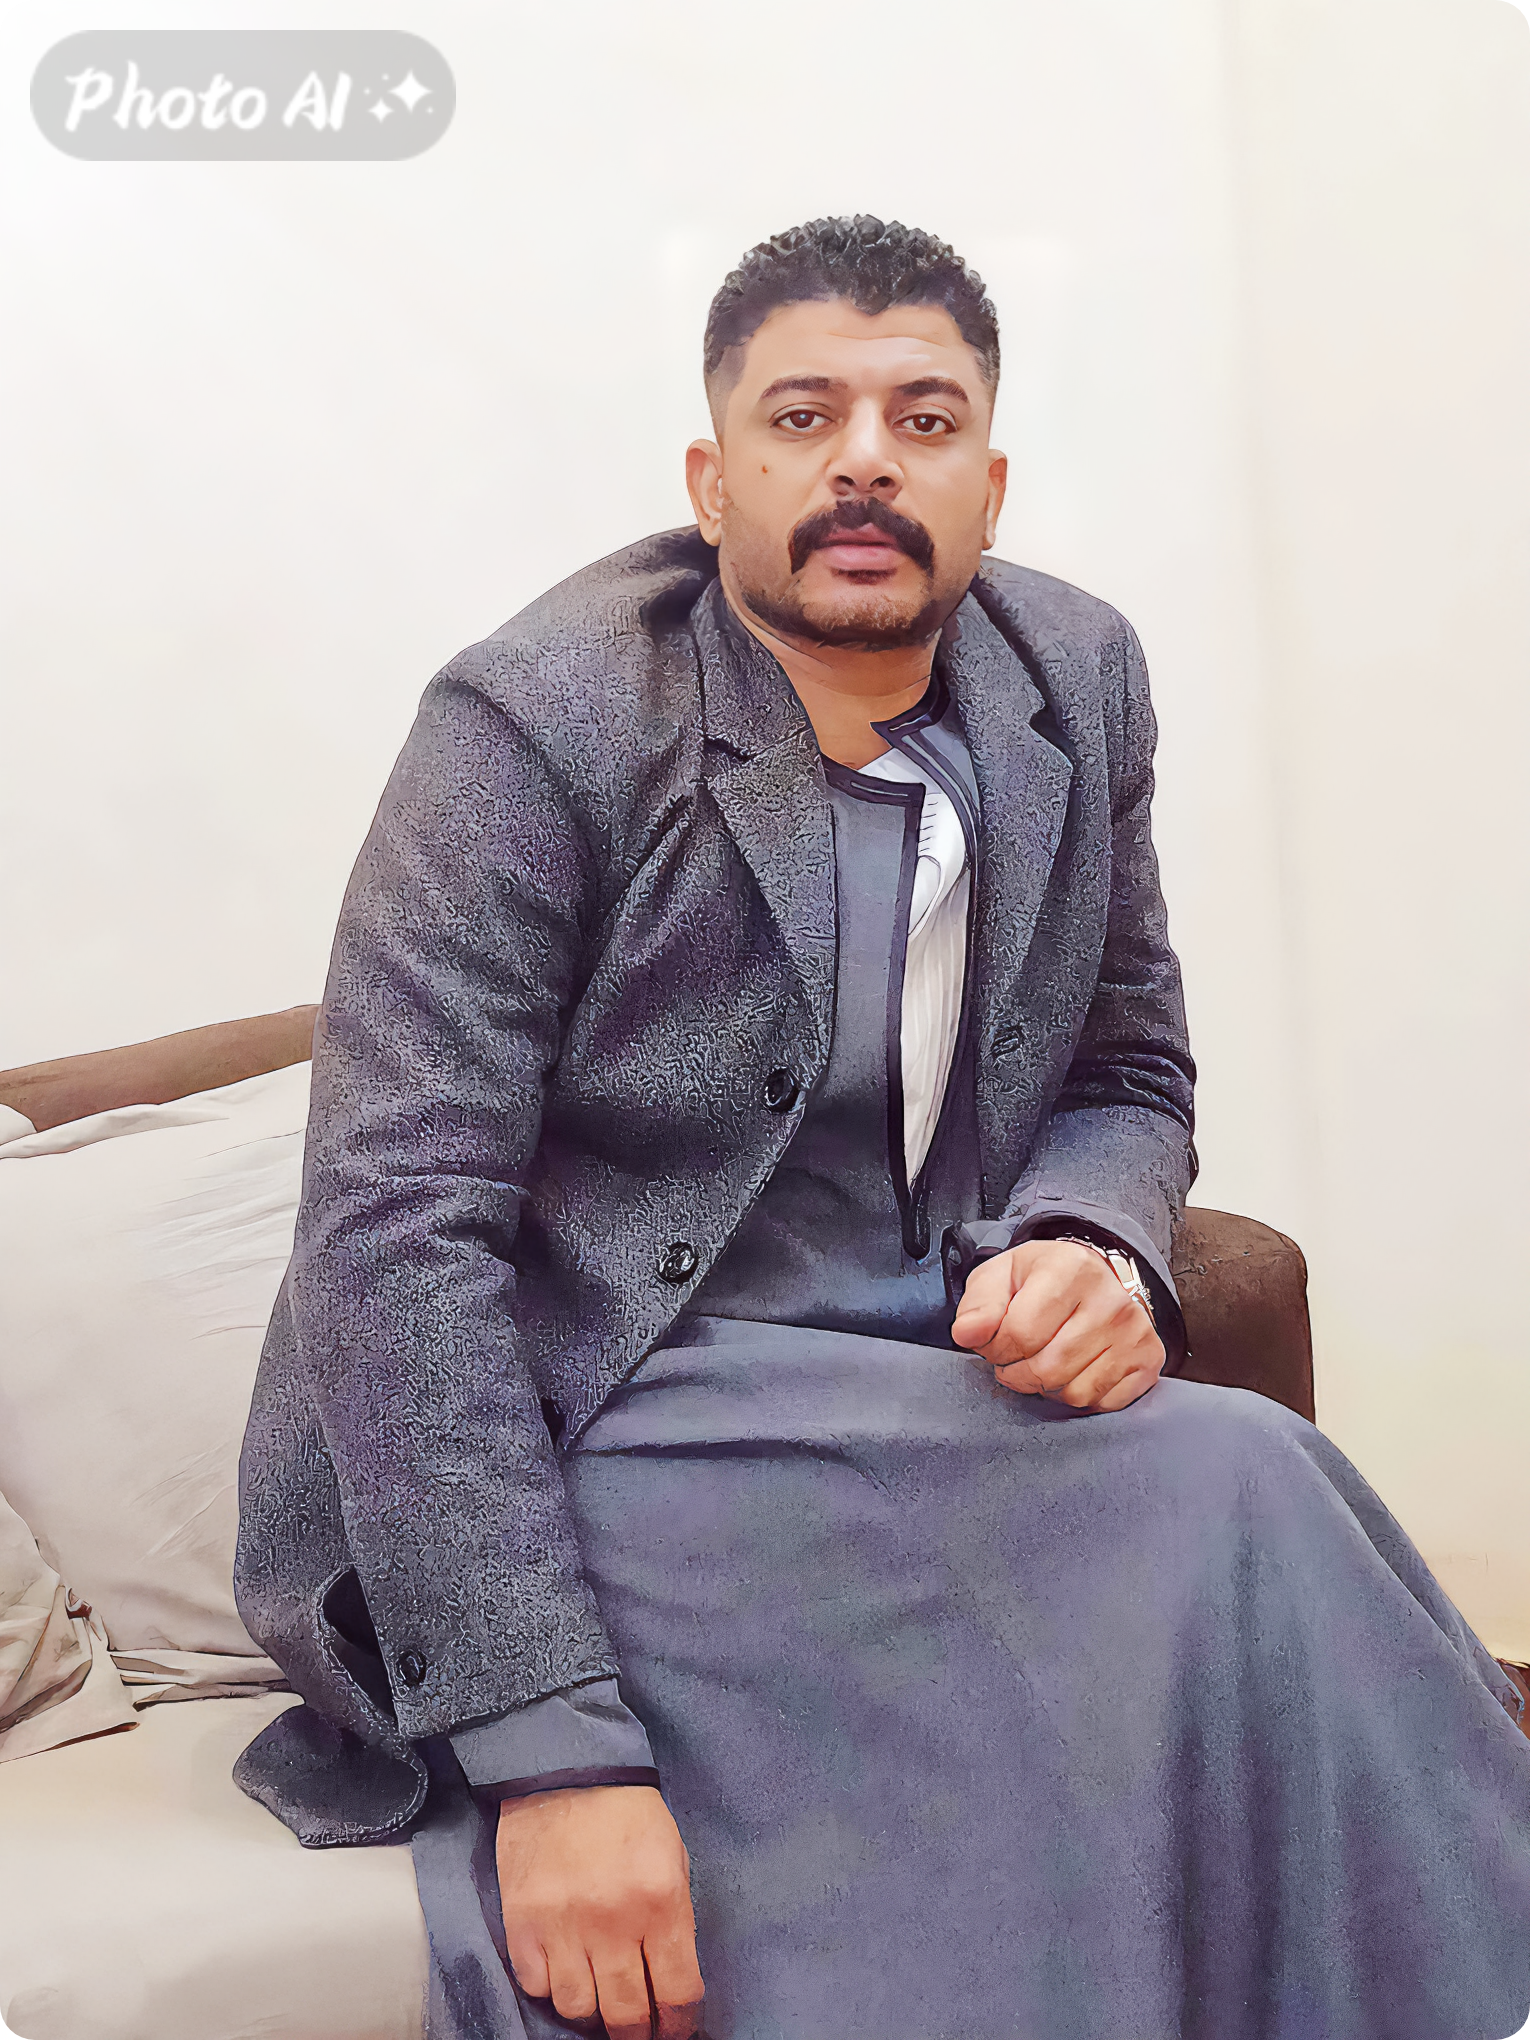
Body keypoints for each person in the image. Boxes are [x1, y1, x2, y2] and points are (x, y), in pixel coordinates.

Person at [234, 217, 1530, 2040]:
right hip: (583, 1415)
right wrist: (551, 1758)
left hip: (904, 1379)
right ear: (712, 483)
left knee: (1258, 1485)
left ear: (987, 487)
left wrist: (1091, 1242)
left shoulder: (1072, 677)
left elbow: (1127, 1071)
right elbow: (392, 1227)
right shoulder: (534, 721)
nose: (863, 460)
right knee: (1216, 1507)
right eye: (802, 417)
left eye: (922, 420)